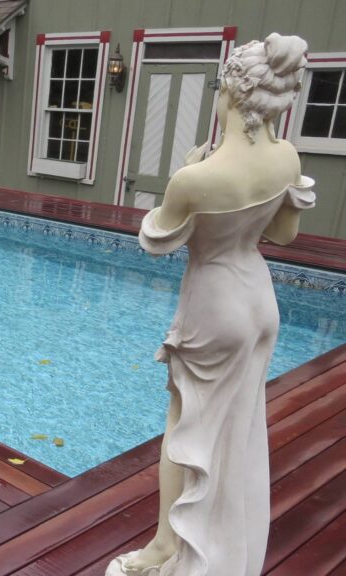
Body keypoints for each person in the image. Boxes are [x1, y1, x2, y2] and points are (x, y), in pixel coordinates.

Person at [107, 33, 313, 576]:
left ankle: (164, 551)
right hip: (259, 302)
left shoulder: (196, 177)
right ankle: (227, 547)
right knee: (239, 429)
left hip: (214, 304)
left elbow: (158, 240)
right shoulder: (287, 157)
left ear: (231, 92)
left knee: (185, 429)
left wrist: (189, 171)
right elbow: (286, 235)